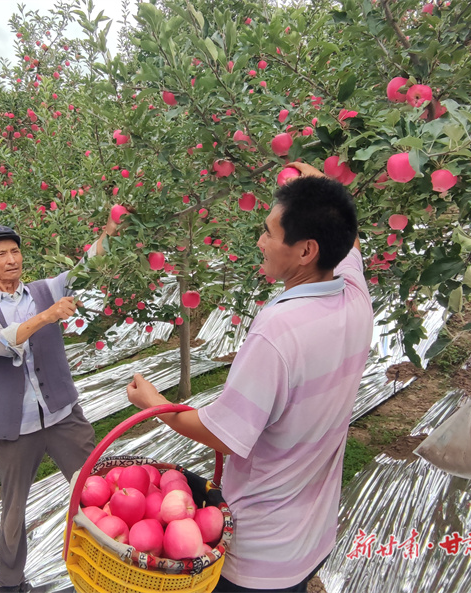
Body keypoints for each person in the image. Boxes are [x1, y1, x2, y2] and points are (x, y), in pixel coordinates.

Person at [127, 163, 373, 592]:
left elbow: (224, 434)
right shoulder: (355, 294)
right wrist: (313, 184)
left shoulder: (278, 331)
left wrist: (155, 404)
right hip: (312, 536)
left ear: (306, 251)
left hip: (261, 551)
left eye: (270, 233)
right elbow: (349, 238)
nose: (260, 241)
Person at [0, 213, 118, 593]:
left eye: (15, 251)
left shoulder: (44, 289)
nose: (11, 259)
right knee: (14, 510)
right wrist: (49, 316)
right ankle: (10, 583)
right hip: (16, 428)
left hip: (63, 415)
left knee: (97, 487)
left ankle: (118, 560)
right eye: (1, 254)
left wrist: (110, 231)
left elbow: (85, 269)